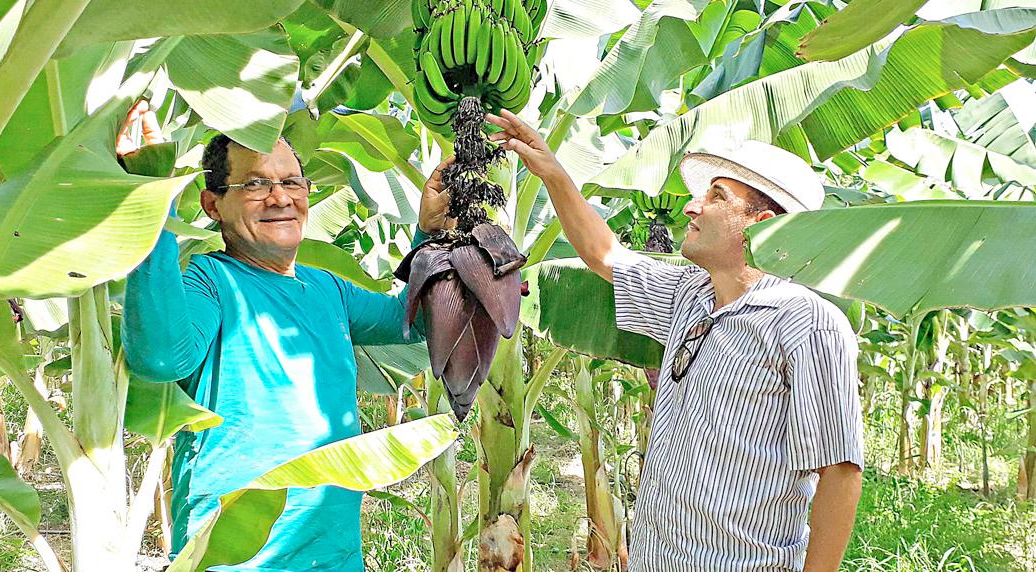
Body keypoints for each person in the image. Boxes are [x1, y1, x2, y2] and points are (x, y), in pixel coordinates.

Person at [488, 110, 864, 572]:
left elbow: (840, 471)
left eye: (717, 196)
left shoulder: (806, 322)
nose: (691, 206)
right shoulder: (689, 294)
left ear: (761, 223)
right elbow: (606, 255)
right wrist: (552, 172)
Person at [117, 102, 455, 571]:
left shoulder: (326, 288)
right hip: (235, 552)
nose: (279, 198)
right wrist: (154, 197)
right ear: (213, 204)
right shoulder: (210, 281)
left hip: (333, 550)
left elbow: (410, 319)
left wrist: (430, 231)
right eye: (255, 183)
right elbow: (160, 359)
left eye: (292, 182)